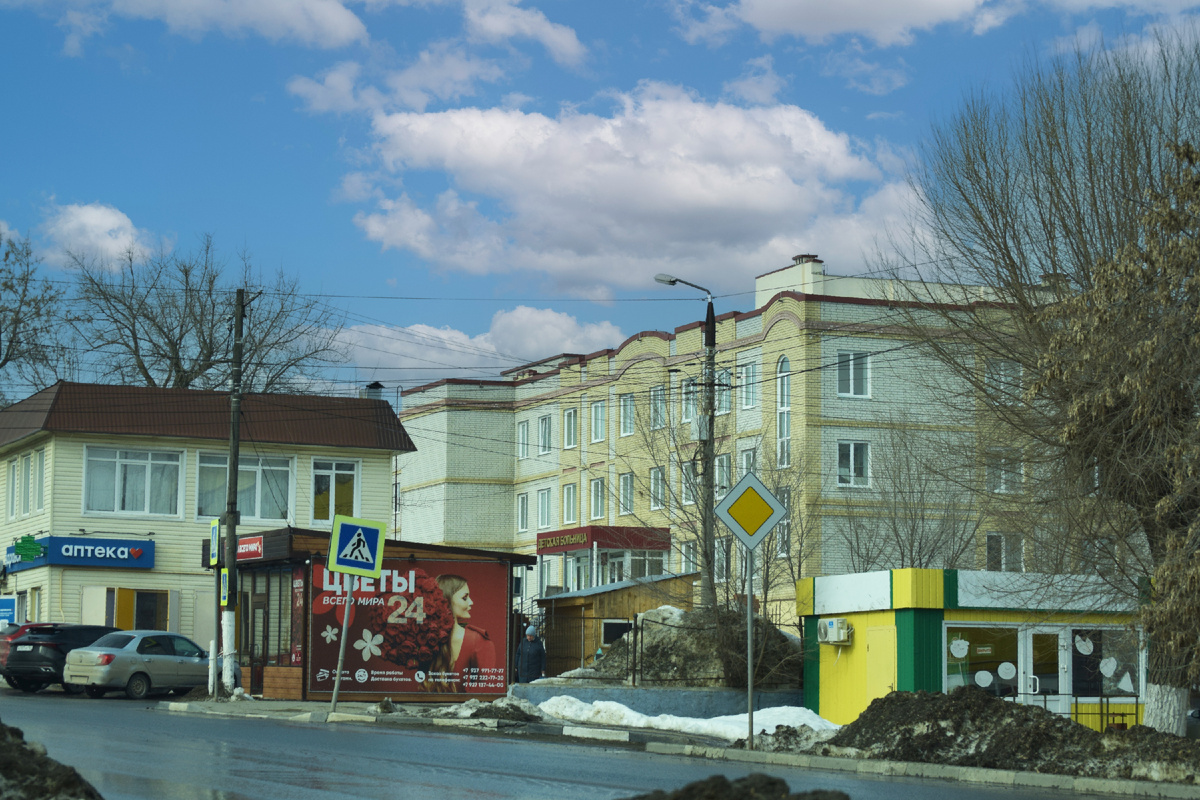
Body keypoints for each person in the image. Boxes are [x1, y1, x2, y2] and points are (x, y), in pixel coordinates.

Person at [434, 574, 495, 688]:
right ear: (447, 600)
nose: (471, 602)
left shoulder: (478, 641)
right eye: (465, 598)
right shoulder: (477, 641)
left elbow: (485, 686)